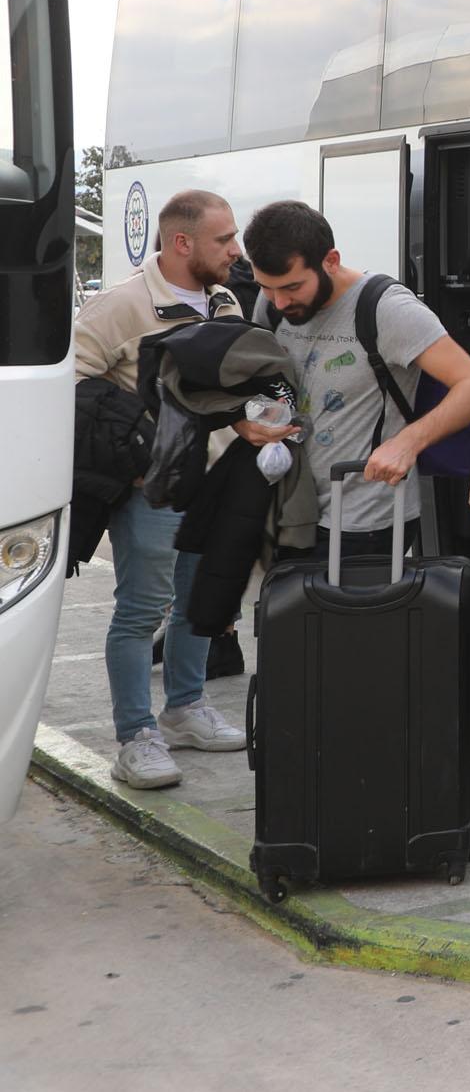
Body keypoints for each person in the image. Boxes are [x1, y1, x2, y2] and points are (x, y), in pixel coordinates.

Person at [71, 189, 248, 788]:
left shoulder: (225, 298)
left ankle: (185, 710)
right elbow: (72, 384)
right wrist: (136, 446)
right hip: (152, 489)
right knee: (141, 611)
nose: (236, 249)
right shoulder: (120, 305)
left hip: (215, 486)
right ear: (182, 243)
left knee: (202, 605)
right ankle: (135, 737)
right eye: (224, 239)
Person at [236, 201, 470, 560]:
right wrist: (249, 421)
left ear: (331, 260)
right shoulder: (271, 307)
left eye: (292, 287)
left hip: (363, 522)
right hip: (289, 509)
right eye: (267, 287)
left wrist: (409, 442)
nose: (279, 302)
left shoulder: (387, 309)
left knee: (342, 619)